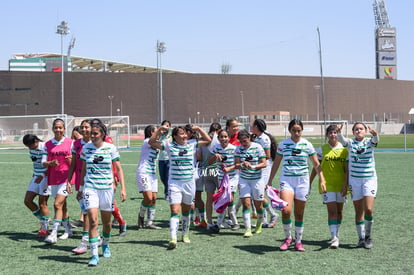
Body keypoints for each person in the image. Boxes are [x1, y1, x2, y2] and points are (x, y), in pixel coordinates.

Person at [149, 125, 211, 249]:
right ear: (175, 137)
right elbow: (152, 142)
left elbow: (208, 140)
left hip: (189, 182)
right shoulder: (169, 146)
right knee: (175, 210)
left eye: (185, 134)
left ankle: (185, 234)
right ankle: (173, 238)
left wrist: (198, 129)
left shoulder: (192, 144)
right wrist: (159, 131)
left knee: (186, 210)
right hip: (174, 183)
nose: (184, 136)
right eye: (181, 134)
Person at [268, 119, 325, 252]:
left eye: (299, 130)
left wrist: (322, 180)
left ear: (302, 131)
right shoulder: (283, 145)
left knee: (299, 214)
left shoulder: (307, 145)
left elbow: (316, 164)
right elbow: (276, 163)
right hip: (287, 180)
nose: (297, 133)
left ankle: (298, 241)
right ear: (290, 131)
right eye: (294, 130)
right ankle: (288, 238)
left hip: (302, 182)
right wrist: (269, 180)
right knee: (286, 210)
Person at [77, 120, 127, 266]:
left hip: (106, 189)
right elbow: (84, 169)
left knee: (107, 223)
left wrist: (123, 188)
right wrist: (80, 188)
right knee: (93, 220)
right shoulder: (86, 148)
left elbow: (118, 168)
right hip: (90, 188)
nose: (92, 135)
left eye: (95, 133)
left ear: (103, 134)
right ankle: (94, 255)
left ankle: (105, 243)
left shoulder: (110, 148)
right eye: (91, 133)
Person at [337, 122, 379, 249]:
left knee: (369, 209)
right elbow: (342, 141)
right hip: (355, 181)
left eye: (361, 129)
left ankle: (368, 236)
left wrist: (376, 135)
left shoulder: (369, 142)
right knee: (358, 211)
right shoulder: (350, 143)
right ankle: (361, 238)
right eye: (356, 129)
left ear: (365, 131)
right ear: (353, 131)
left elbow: (375, 141)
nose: (358, 131)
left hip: (369, 179)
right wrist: (339, 133)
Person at [310, 125, 348, 249]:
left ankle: (337, 232)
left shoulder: (344, 150)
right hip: (327, 184)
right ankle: (334, 237)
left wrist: (345, 184)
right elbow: (317, 167)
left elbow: (347, 169)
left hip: (341, 184)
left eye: (335, 132)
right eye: (331, 132)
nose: (333, 135)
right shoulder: (321, 150)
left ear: (338, 134)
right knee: (332, 211)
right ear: (327, 135)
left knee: (339, 211)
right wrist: (310, 182)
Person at [90, 118, 127, 236]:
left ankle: (120, 222)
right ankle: (89, 231)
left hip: (105, 178)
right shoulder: (85, 143)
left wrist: (114, 178)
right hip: (89, 178)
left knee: (110, 204)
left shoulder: (107, 142)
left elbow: (112, 162)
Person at [42, 118, 74, 244]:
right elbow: (43, 162)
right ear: (53, 129)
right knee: (62, 205)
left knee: (56, 204)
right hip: (53, 178)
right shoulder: (48, 144)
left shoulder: (71, 143)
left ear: (64, 129)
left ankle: (53, 233)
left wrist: (71, 160)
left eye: (60, 127)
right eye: (56, 127)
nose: (58, 130)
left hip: (66, 178)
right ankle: (68, 230)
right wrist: (50, 163)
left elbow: (75, 161)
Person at [234, 129, 267, 238]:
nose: (244, 143)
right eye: (241, 141)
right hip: (244, 179)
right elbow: (236, 164)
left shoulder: (258, 147)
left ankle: (259, 224)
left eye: (245, 140)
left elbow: (264, 163)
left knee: (259, 206)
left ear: (249, 138)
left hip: (257, 180)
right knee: (246, 204)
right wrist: (243, 164)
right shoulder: (238, 149)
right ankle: (248, 229)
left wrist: (252, 166)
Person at [67, 119, 93, 254]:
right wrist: (68, 180)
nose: (84, 130)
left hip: (94, 181)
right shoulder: (75, 144)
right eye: (82, 127)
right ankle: (96, 237)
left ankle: (85, 241)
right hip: (80, 180)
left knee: (88, 211)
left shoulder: (97, 143)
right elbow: (72, 164)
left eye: (86, 127)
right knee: (86, 210)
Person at [208, 129, 240, 230]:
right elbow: (209, 162)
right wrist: (214, 156)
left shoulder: (234, 149)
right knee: (224, 199)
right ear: (218, 139)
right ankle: (230, 223)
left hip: (232, 177)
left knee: (229, 199)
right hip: (221, 178)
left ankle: (228, 222)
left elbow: (238, 164)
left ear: (229, 138)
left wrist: (229, 168)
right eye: (221, 137)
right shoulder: (215, 148)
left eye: (225, 137)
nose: (223, 139)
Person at [251, 119, 279, 228]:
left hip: (264, 168)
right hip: (258, 167)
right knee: (258, 194)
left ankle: (272, 214)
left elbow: (267, 156)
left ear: (257, 127)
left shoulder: (264, 138)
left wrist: (255, 161)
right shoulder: (256, 137)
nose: (252, 127)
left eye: (253, 126)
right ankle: (265, 219)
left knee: (259, 193)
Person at [22, 134, 51, 238]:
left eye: (30, 145)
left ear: (35, 141)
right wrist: (35, 174)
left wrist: (43, 175)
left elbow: (50, 165)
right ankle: (45, 220)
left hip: (46, 178)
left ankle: (45, 229)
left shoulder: (45, 147)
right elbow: (36, 163)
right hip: (36, 177)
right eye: (27, 146)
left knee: (42, 203)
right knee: (27, 201)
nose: (29, 148)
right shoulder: (31, 149)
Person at [194, 122, 221, 231]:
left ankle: (209, 222)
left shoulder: (202, 141)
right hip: (218, 172)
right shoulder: (218, 141)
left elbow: (199, 157)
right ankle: (221, 221)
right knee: (222, 197)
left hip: (206, 171)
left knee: (209, 198)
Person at [136, 125, 162, 230]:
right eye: (157, 131)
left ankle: (149, 222)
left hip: (152, 173)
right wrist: (160, 130)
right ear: (152, 132)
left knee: (154, 198)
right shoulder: (147, 141)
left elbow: (166, 145)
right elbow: (152, 140)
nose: (159, 133)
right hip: (143, 172)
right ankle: (141, 216)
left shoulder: (156, 142)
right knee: (148, 198)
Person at [158, 120, 172, 200]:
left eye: (167, 126)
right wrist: (160, 131)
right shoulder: (160, 136)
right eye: (164, 126)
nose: (166, 127)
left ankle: (167, 193)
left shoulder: (172, 136)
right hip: (161, 159)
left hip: (169, 159)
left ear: (170, 127)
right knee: (162, 177)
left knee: (167, 177)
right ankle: (168, 188)